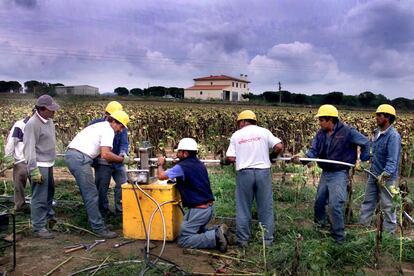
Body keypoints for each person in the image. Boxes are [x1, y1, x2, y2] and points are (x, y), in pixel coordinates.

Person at [292, 104, 370, 243]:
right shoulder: (320, 133)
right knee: (319, 203)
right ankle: (320, 227)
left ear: (330, 120)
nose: (319, 122)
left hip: (339, 173)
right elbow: (313, 152)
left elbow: (365, 142)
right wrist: (301, 159)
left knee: (335, 205)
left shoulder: (347, 132)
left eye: (321, 119)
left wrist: (363, 159)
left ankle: (338, 238)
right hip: (326, 172)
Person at [65, 110, 132, 239]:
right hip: (79, 158)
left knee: (91, 193)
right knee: (91, 194)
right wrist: (123, 159)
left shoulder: (100, 126)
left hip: (75, 156)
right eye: (121, 126)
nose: (121, 130)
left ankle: (97, 222)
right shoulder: (108, 130)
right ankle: (98, 228)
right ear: (114, 122)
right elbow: (106, 155)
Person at [223, 110, 283, 247]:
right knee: (265, 207)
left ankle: (243, 240)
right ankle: (267, 240)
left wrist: (226, 160)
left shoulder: (237, 135)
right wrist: (272, 156)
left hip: (244, 173)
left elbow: (231, 157)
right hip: (263, 172)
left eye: (239, 123)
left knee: (243, 207)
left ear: (243, 121)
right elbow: (279, 146)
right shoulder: (264, 132)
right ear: (254, 121)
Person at [157, 138, 228, 253]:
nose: (177, 154)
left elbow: (161, 176)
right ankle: (219, 231)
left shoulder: (182, 167)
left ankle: (215, 236)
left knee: (184, 240)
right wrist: (178, 164)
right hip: (207, 208)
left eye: (179, 152)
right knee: (186, 228)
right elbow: (189, 174)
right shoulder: (199, 164)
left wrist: (160, 164)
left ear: (185, 153)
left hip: (199, 210)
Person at [359, 104, 401, 233]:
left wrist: (385, 174)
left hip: (386, 178)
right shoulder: (376, 133)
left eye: (379, 115)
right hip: (373, 174)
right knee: (368, 201)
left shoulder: (393, 136)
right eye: (376, 115)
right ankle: (363, 226)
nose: (376, 117)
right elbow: (372, 152)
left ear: (388, 117)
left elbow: (392, 159)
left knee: (387, 205)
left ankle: (389, 233)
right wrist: (363, 160)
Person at [23, 95, 60, 239]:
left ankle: (47, 218)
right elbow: (29, 148)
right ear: (42, 109)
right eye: (51, 109)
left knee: (50, 192)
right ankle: (38, 227)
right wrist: (33, 170)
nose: (53, 112)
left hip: (49, 163)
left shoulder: (49, 121)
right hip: (39, 165)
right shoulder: (32, 124)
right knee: (39, 196)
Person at [88, 101, 128, 217]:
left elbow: (124, 143)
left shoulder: (121, 126)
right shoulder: (96, 124)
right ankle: (102, 212)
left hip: (118, 162)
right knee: (102, 187)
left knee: (123, 184)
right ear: (106, 114)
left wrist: (122, 153)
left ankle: (120, 211)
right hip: (102, 163)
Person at [4, 114, 31, 213]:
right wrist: (9, 158)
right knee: (19, 185)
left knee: (38, 184)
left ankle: (39, 206)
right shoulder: (20, 125)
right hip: (21, 160)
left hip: (35, 161)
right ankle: (20, 206)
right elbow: (11, 142)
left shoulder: (40, 126)